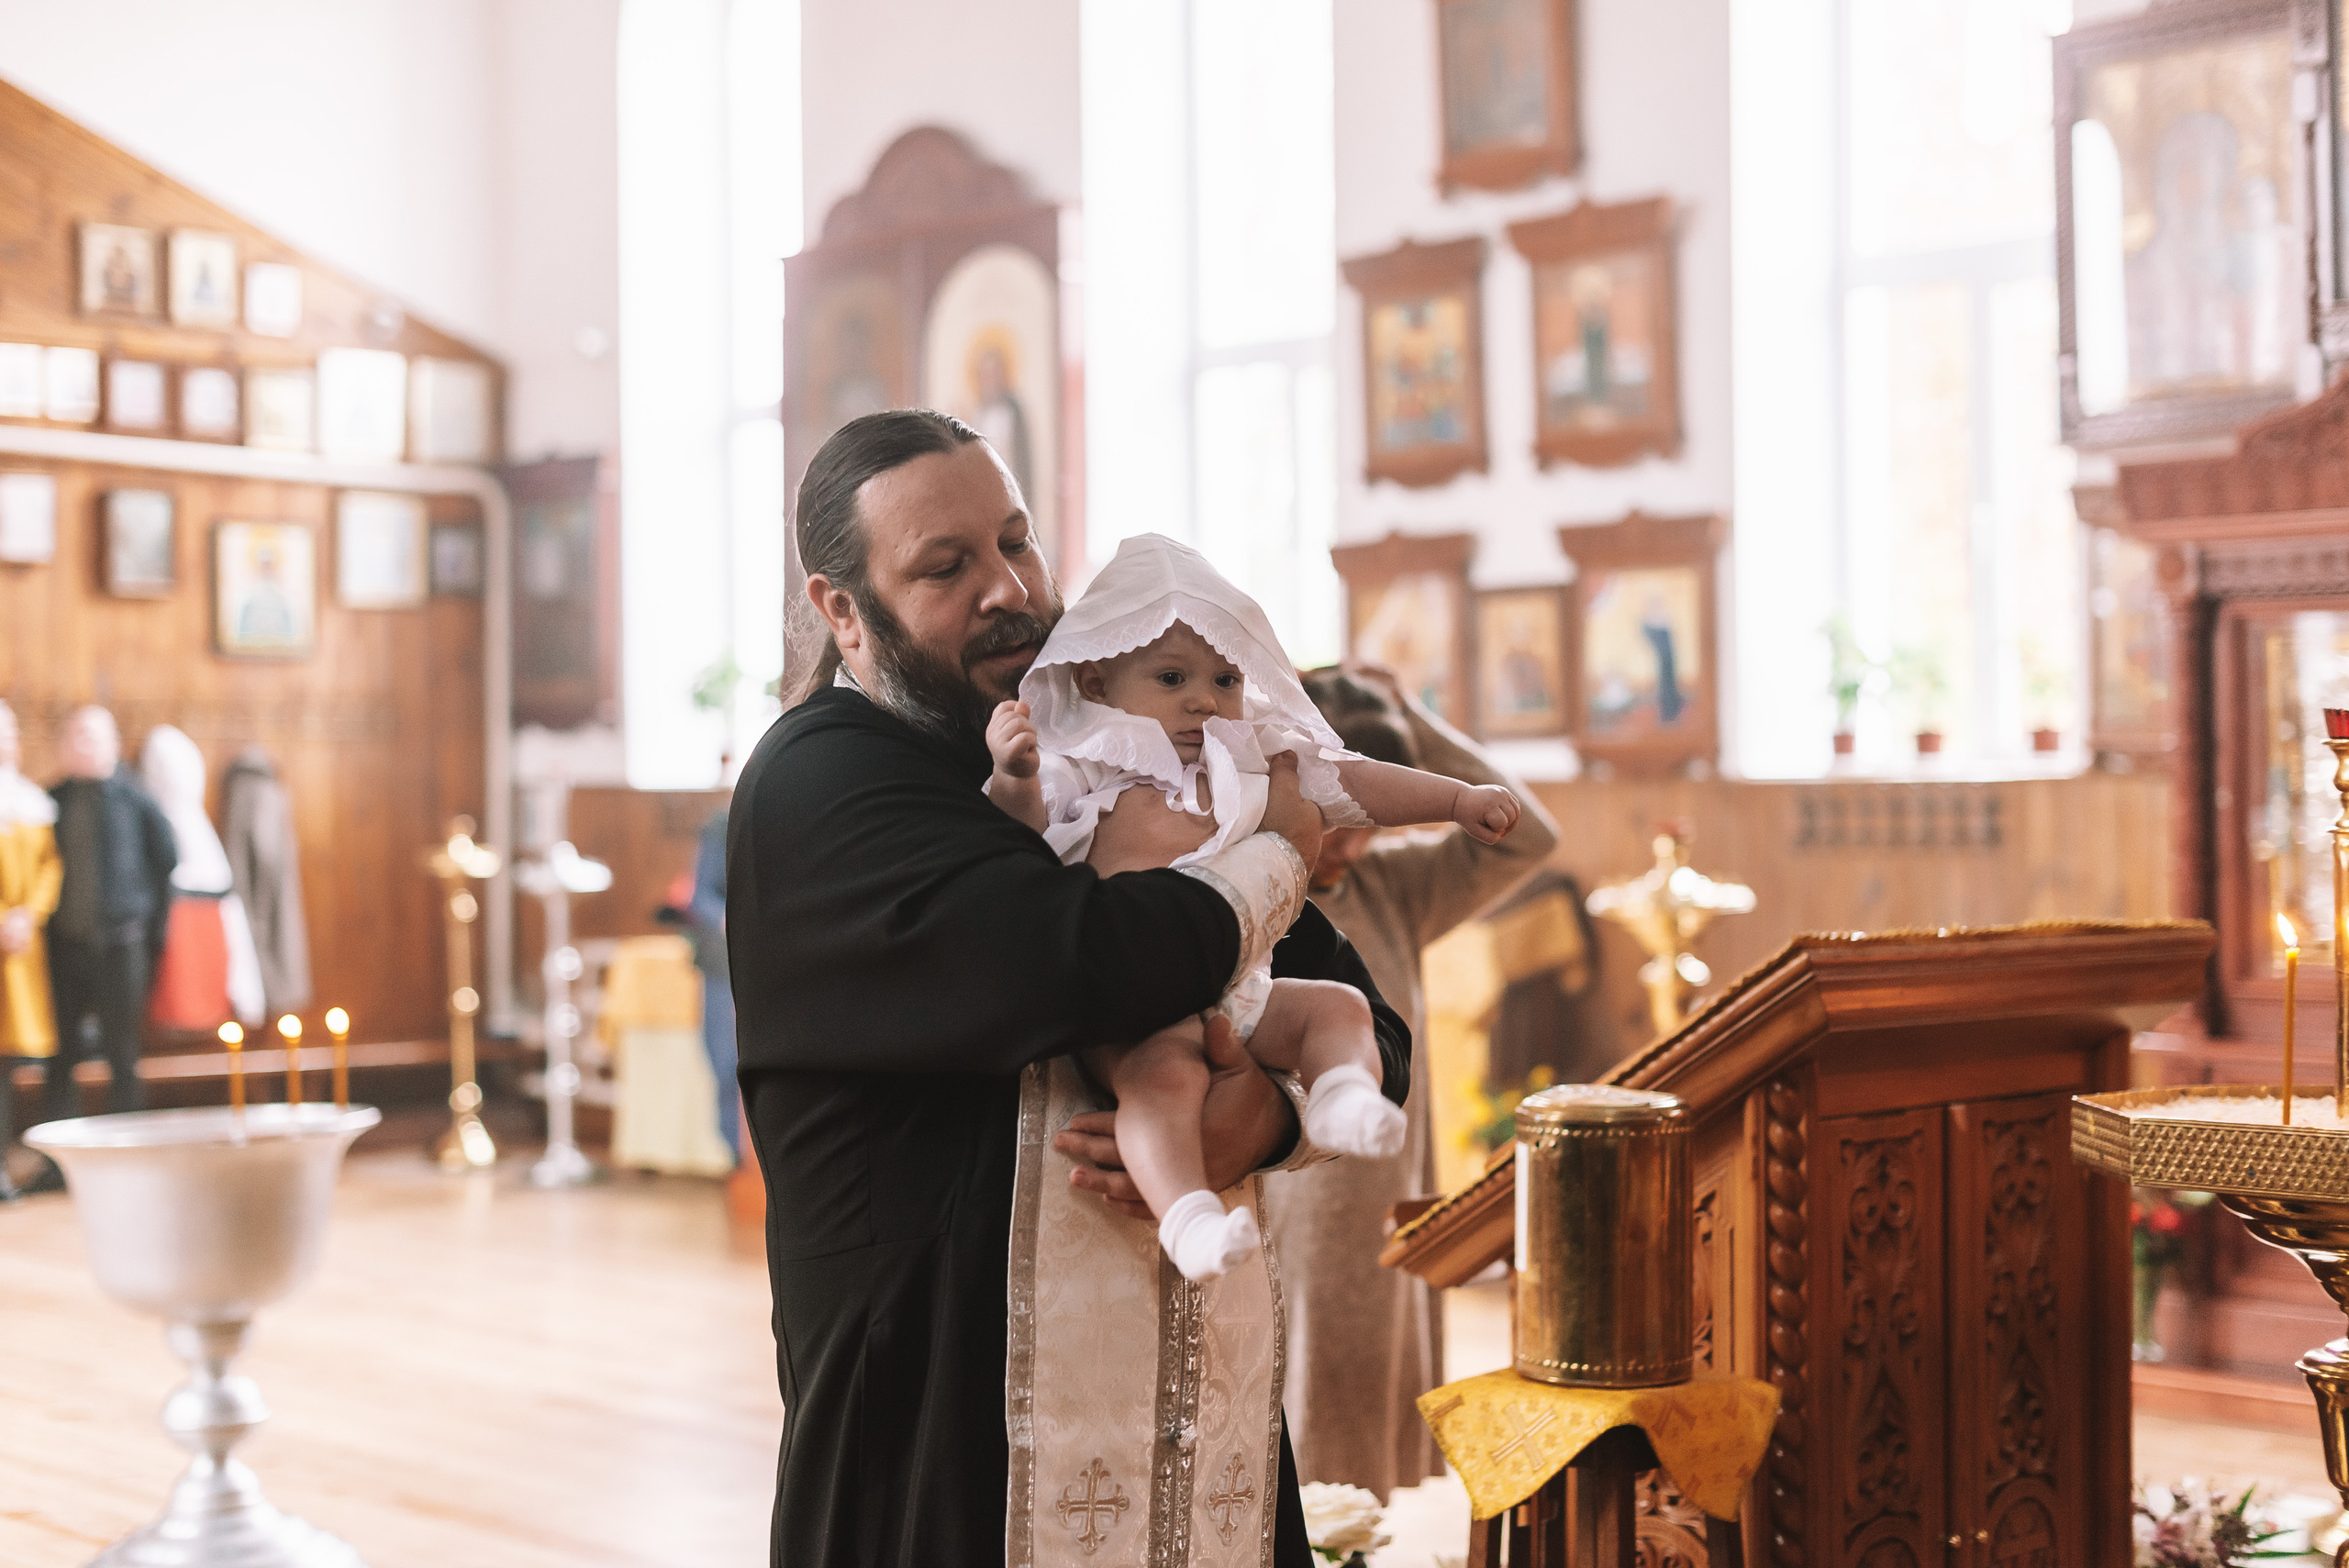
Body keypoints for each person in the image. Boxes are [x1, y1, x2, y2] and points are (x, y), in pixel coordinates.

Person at [729, 408, 1407, 1566]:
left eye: (1016, 541)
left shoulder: (1117, 751)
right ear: (840, 608)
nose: (1008, 587)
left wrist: (1275, 1118)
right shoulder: (825, 782)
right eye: (947, 566)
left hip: (1199, 1428)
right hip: (945, 1445)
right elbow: (1071, 959)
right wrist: (1281, 851)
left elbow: (1362, 1005)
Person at [985, 533, 1519, 1279]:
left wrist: (1455, 799)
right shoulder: (1086, 753)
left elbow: (1354, 782)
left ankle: (1339, 1094)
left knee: (1338, 1009)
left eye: (1227, 678)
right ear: (1100, 682)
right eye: (1172, 677)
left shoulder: (1249, 752)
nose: (1205, 699)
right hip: (1138, 1002)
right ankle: (1189, 1217)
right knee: (1165, 1082)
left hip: (1243, 988)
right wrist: (1014, 775)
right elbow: (1020, 840)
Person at [1269, 667, 1560, 1501]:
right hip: (1291, 1185)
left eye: (1374, 817)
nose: (1356, 840)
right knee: (1297, 1413)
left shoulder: (1393, 888)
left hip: (1384, 1186)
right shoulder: (1254, 885)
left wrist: (1413, 729)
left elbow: (1529, 833)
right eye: (1343, 813)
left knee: (1365, 1418)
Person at [39, 706, 176, 1137]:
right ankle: (58, 1156)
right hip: (65, 946)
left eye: (94, 737)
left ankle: (129, 1145)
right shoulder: (52, 800)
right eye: (75, 736)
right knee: (62, 1054)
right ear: (63, 746)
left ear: (113, 744)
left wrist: (144, 921)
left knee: (122, 1051)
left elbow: (166, 858)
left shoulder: (135, 797)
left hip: (122, 944)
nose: (84, 745)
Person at [0, 700, 62, 1201]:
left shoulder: (32, 803)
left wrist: (27, 915)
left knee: (12, 1060)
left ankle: (10, 1163)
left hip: (21, 949)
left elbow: (49, 868)